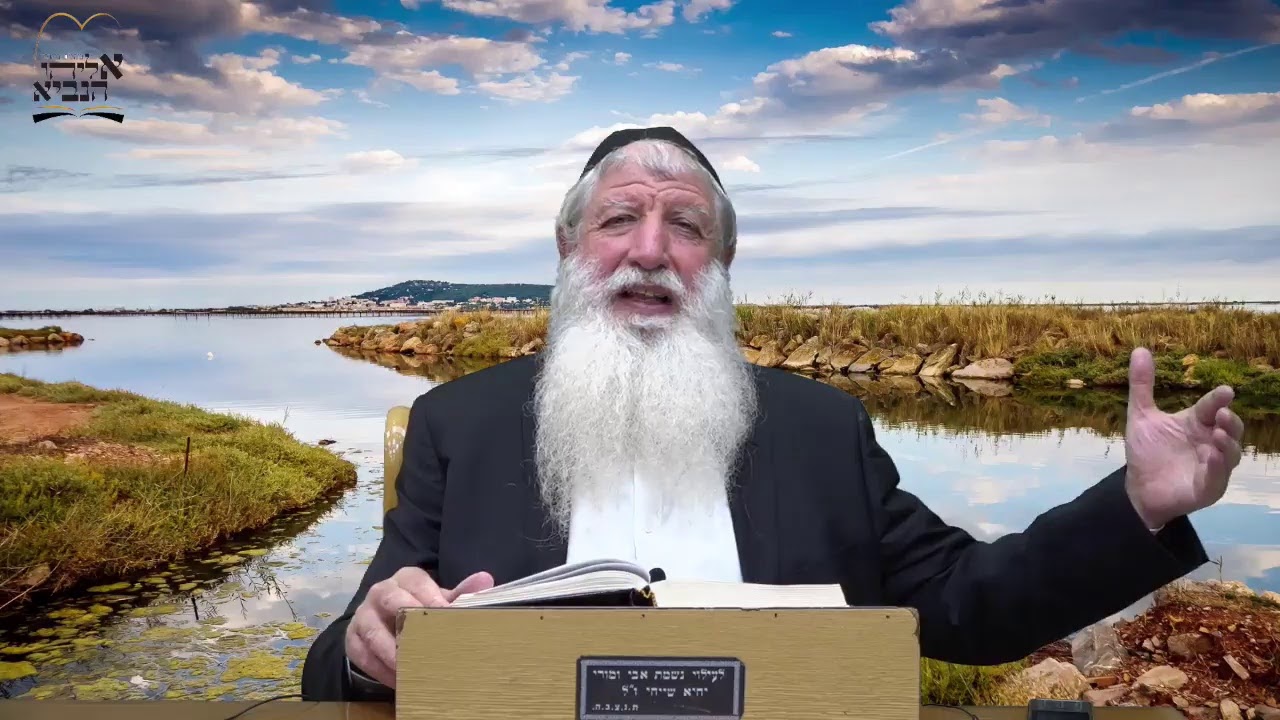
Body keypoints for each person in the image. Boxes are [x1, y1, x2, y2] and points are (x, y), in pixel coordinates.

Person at [301, 126, 1244, 701]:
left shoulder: (821, 429)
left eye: (686, 226)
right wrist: (371, 650)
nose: (650, 251)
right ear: (567, 248)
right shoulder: (459, 424)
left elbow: (972, 607)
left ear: (721, 263)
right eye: (619, 219)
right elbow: (334, 664)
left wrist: (1140, 504)